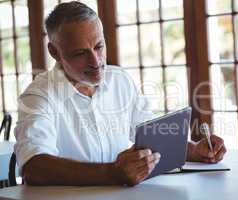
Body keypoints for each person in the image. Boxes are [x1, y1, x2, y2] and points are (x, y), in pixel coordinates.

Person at [14, 1, 226, 186]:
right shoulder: (38, 96)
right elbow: (34, 167)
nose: (96, 62)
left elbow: (151, 138)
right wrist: (111, 173)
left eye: (99, 46)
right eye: (80, 53)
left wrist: (192, 150)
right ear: (54, 52)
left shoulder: (120, 80)